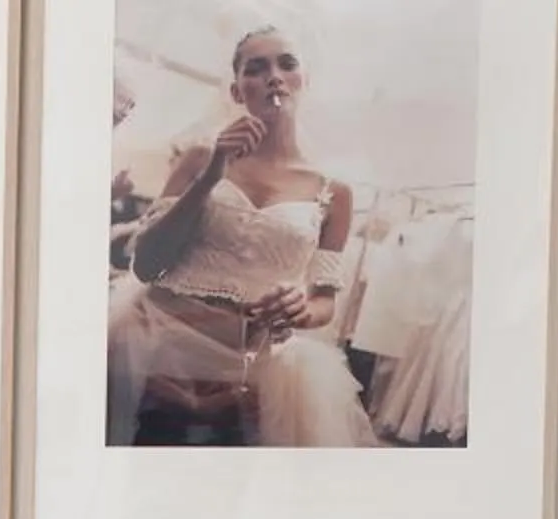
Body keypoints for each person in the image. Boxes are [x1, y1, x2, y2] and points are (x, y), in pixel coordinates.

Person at [106, 25, 380, 447]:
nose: (274, 75)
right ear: (236, 91)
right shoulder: (200, 157)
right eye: (256, 67)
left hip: (255, 363)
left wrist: (302, 306)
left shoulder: (334, 191)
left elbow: (326, 299)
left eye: (287, 63)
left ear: (304, 81)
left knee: (233, 491)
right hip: (160, 347)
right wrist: (213, 173)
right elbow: (146, 264)